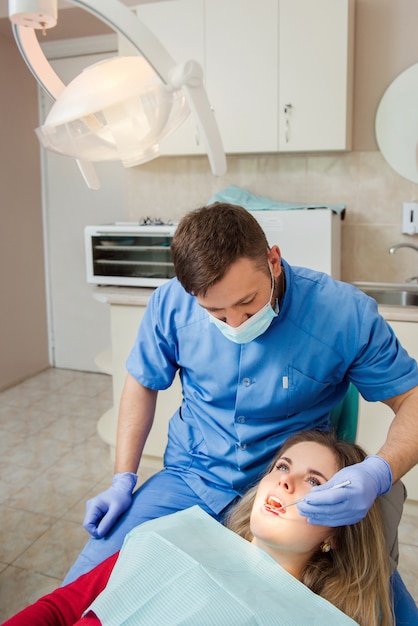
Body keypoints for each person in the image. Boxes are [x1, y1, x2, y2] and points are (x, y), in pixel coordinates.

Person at [64, 202, 418, 621]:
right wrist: (123, 477)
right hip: (190, 479)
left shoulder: (344, 314)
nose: (234, 323)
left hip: (283, 487)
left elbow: (411, 399)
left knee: (382, 609)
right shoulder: (170, 304)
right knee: (87, 589)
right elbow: (141, 382)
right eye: (216, 314)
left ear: (274, 261)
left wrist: (378, 472)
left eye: (248, 304)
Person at [2, 431, 393, 626]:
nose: (285, 483)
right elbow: (59, 609)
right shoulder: (171, 536)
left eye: (315, 482)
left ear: (337, 533)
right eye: (283, 467)